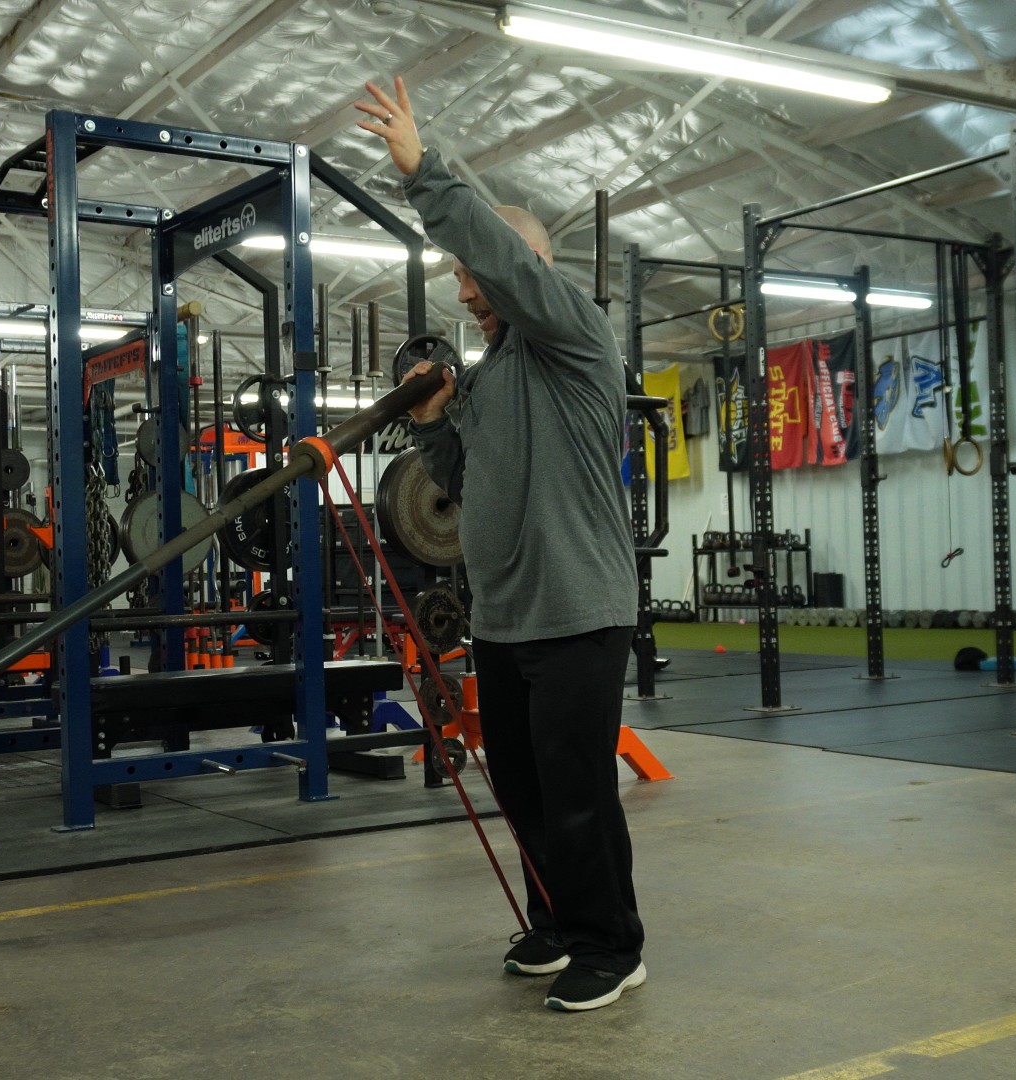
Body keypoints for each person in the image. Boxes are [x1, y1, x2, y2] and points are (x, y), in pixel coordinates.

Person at [356, 76, 646, 1013]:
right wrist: (435, 422)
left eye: (476, 277)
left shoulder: (577, 339)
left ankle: (612, 944)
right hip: (506, 615)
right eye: (460, 283)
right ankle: (557, 923)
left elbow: (500, 257)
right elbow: (464, 481)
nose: (467, 293)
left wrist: (425, 174)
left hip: (578, 610)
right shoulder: (489, 378)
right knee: (524, 791)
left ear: (528, 271)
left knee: (577, 792)